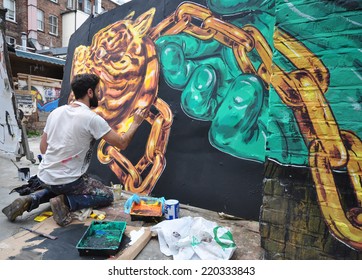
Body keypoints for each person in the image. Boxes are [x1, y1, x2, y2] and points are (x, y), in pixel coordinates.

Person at [2, 73, 147, 226]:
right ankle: (66, 201)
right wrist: (136, 123)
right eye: (98, 91)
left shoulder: (55, 113)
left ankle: (31, 199)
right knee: (106, 195)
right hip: (68, 181)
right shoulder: (92, 118)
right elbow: (122, 143)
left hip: (45, 177)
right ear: (89, 92)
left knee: (62, 184)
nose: (99, 96)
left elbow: (43, 149)